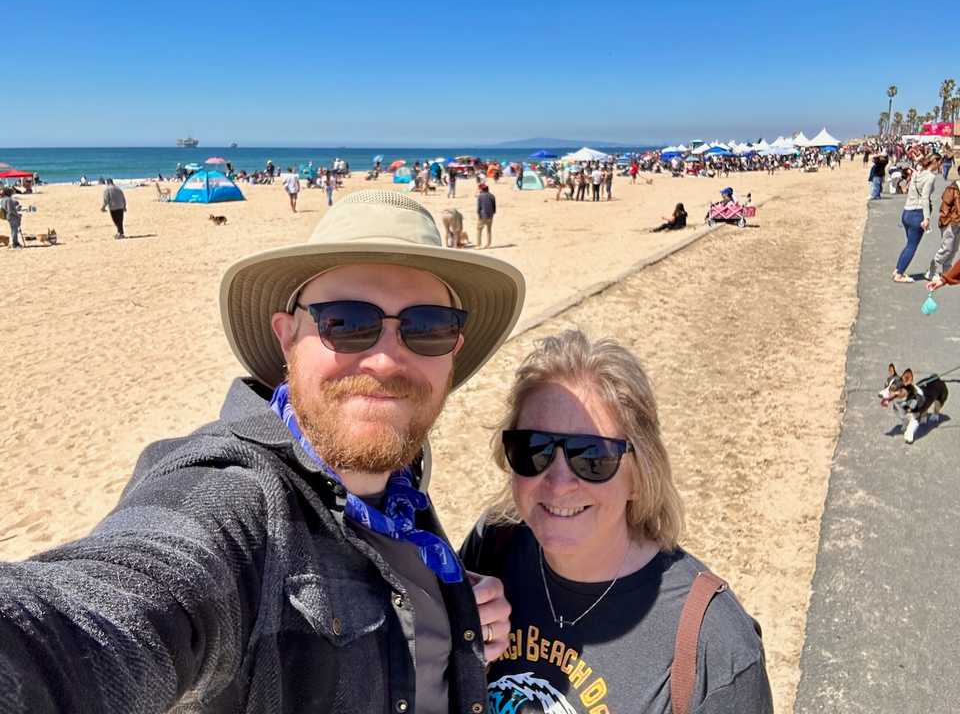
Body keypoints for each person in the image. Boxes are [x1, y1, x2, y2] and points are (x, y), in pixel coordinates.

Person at [0, 190, 524, 713]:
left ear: (453, 348)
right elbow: (109, 608)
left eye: (427, 327)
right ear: (286, 336)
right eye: (345, 322)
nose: (387, 361)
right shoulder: (233, 496)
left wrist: (447, 615)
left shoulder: (401, 478)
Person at [460, 331, 773, 713]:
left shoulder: (714, 645)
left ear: (640, 476)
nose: (558, 484)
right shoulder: (493, 546)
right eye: (534, 449)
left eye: (593, 457)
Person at [893, 154, 940, 283]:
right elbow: (925, 198)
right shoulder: (930, 177)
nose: (939, 166)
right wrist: (927, 218)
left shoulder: (917, 174)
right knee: (912, 246)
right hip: (917, 213)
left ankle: (898, 269)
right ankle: (899, 274)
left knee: (909, 245)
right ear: (934, 162)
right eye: (939, 163)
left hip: (907, 211)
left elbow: (910, 191)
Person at [926, 176, 960, 284]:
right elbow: (944, 208)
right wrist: (948, 221)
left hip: (958, 223)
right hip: (950, 223)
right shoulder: (952, 189)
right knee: (946, 248)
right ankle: (931, 271)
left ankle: (947, 271)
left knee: (954, 249)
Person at [477, 182, 496, 249]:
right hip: (490, 215)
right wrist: (493, 213)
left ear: (482, 189)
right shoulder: (492, 196)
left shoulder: (480, 196)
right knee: (489, 230)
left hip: (482, 215)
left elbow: (479, 207)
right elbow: (494, 206)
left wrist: (478, 215)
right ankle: (488, 244)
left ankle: (479, 245)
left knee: (479, 230)